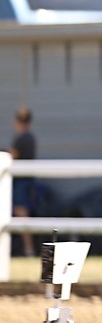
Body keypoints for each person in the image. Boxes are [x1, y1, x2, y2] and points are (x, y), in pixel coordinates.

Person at [9, 106, 37, 256]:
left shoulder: (22, 138)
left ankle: (28, 248)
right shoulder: (29, 138)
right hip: (24, 181)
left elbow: (12, 156)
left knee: (21, 214)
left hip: (21, 182)